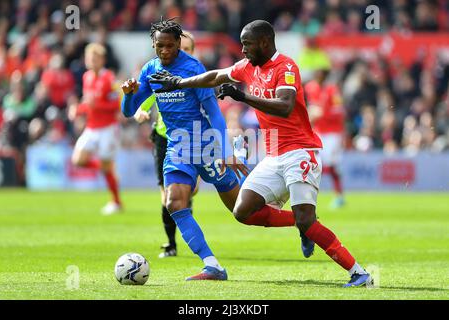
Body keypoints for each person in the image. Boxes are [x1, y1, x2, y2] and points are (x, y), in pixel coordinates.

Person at [150, 20, 372, 287]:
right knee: (243, 211)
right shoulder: (247, 67)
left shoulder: (286, 67)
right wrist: (179, 83)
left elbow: (285, 106)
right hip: (275, 154)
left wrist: (242, 97)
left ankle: (359, 272)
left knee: (306, 219)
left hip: (301, 151)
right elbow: (215, 76)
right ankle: (303, 226)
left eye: (247, 44)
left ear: (265, 43)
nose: (243, 50)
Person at [121, 18, 300, 281]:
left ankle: (299, 221)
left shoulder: (192, 68)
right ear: (154, 44)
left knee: (245, 213)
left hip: (207, 147)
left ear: (178, 44)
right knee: (174, 202)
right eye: (160, 46)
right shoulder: (150, 70)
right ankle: (212, 265)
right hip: (177, 148)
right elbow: (128, 111)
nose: (165, 51)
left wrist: (226, 151)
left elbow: (214, 113)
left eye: (170, 45)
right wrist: (128, 93)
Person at [133, 31, 198, 258]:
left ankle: (189, 237)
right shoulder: (161, 73)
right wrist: (141, 108)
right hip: (164, 138)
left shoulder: (196, 74)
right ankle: (171, 244)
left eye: (187, 49)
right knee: (167, 196)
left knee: (189, 192)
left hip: (192, 138)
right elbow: (149, 94)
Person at [69, 43, 123, 215]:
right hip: (91, 127)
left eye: (95, 58)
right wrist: (77, 110)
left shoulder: (109, 78)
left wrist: (97, 104)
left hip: (108, 128)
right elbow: (88, 105)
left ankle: (116, 202)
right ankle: (106, 169)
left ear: (102, 60)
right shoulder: (87, 77)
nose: (92, 61)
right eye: (89, 58)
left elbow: (117, 104)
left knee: (106, 166)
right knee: (78, 159)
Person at [304, 67, 346, 209]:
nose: (318, 76)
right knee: (314, 163)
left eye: (320, 73)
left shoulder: (332, 90)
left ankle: (338, 196)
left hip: (332, 132)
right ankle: (310, 194)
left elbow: (339, 111)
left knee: (328, 164)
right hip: (318, 132)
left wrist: (323, 113)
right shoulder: (310, 88)